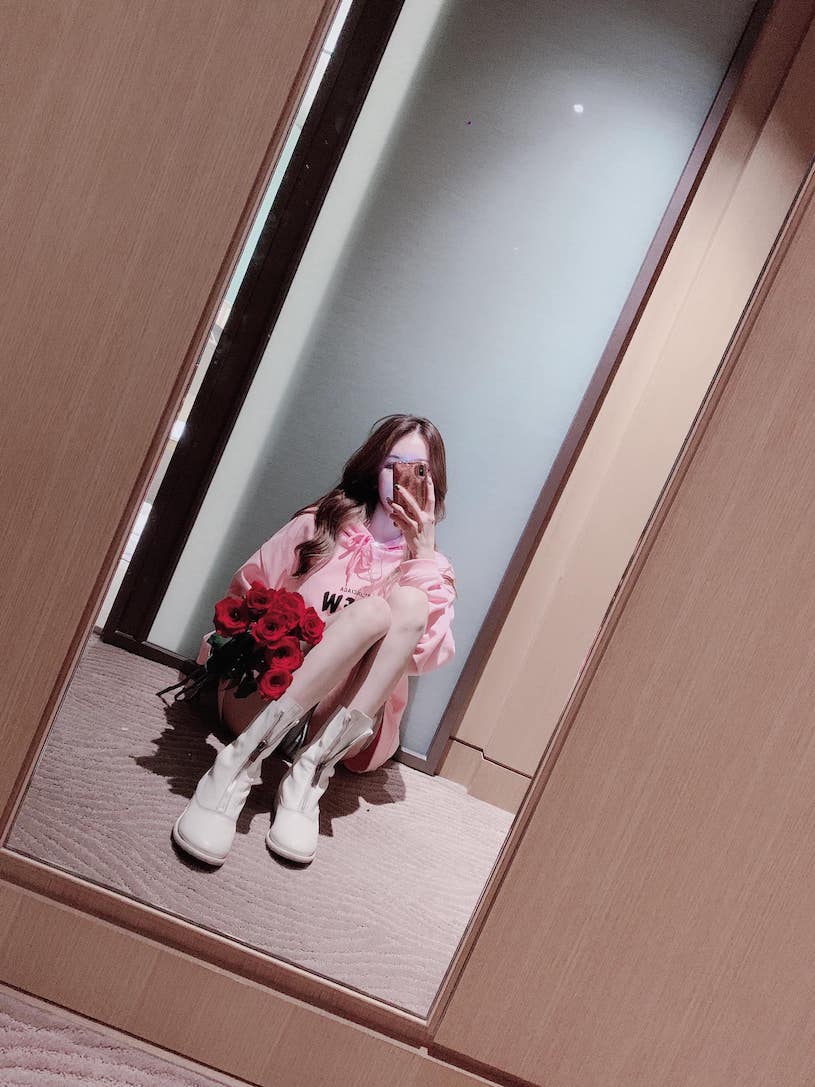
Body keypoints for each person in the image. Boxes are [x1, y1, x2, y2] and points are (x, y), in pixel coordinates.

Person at [172, 414, 456, 867]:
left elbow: (424, 656)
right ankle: (235, 767)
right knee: (371, 612)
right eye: (392, 464)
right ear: (374, 467)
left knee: (402, 606)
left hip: (332, 723)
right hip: (264, 696)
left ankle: (307, 779)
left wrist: (421, 555)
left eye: (418, 470)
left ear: (433, 484)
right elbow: (245, 593)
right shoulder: (321, 525)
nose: (402, 478)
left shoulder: (431, 569)